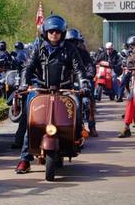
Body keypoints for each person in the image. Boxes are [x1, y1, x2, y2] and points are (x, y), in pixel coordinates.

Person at [15, 15, 89, 174]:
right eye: (51, 31)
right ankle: (24, 159)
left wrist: (83, 83)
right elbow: (27, 67)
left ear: (62, 32)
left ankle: (76, 137)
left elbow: (78, 69)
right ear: (45, 32)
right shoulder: (38, 48)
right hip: (41, 89)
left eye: (57, 31)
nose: (54, 34)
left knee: (77, 105)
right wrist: (23, 83)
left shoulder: (70, 49)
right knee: (31, 120)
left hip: (65, 89)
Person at [66, 27, 98, 137]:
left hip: (81, 82)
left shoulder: (83, 53)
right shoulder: (63, 53)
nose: (72, 44)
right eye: (69, 41)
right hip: (66, 83)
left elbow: (90, 66)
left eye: (74, 41)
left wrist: (88, 75)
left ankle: (92, 126)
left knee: (87, 101)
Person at [116, 35, 135, 101]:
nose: (131, 46)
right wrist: (125, 63)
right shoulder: (128, 52)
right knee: (123, 80)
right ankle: (119, 96)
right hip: (131, 69)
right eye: (130, 45)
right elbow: (126, 59)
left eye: (133, 44)